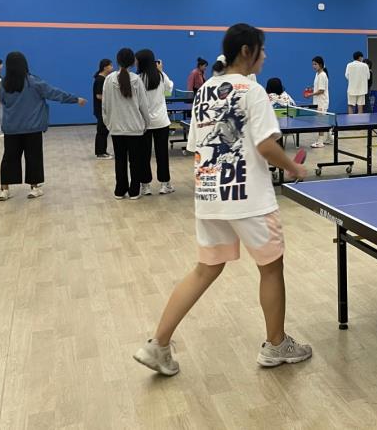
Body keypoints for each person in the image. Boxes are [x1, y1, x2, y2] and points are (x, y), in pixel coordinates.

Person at [133, 23, 311, 377]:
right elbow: (265, 145)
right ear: (247, 51)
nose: (265, 56)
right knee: (271, 267)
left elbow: (196, 145)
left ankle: (157, 344)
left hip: (210, 195)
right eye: (262, 49)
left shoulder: (204, 92)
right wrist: (293, 166)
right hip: (249, 198)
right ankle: (276, 345)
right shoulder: (253, 91)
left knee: (205, 269)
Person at [0, 52, 86, 201]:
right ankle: (34, 188)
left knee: (9, 158)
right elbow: (54, 93)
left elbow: (2, 99)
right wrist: (75, 99)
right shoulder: (33, 82)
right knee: (33, 157)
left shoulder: (4, 84)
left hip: (11, 128)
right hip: (32, 128)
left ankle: (4, 190)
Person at [103, 48, 151, 200]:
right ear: (132, 62)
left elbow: (105, 105)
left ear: (117, 61)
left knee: (120, 161)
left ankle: (119, 190)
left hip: (116, 128)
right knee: (135, 161)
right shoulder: (136, 80)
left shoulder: (109, 79)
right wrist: (146, 123)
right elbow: (144, 105)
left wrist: (108, 123)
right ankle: (134, 191)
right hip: (135, 128)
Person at [136, 49, 174, 197]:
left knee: (144, 155)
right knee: (162, 154)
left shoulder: (137, 79)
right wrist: (161, 71)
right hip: (162, 122)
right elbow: (168, 92)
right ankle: (165, 184)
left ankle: (145, 186)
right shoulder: (161, 76)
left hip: (144, 123)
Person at [93, 59, 113, 159]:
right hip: (101, 110)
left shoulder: (104, 79)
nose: (112, 67)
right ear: (105, 67)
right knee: (101, 131)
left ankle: (103, 151)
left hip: (104, 109)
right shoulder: (100, 80)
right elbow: (99, 95)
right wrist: (112, 99)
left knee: (104, 131)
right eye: (111, 66)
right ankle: (100, 153)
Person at [309, 56, 330, 149]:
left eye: (315, 64)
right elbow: (318, 87)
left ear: (320, 64)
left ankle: (320, 142)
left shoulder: (322, 75)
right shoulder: (317, 74)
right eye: (313, 64)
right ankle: (330, 138)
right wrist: (311, 89)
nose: (313, 66)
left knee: (320, 122)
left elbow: (321, 90)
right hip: (317, 101)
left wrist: (310, 94)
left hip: (322, 102)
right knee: (322, 120)